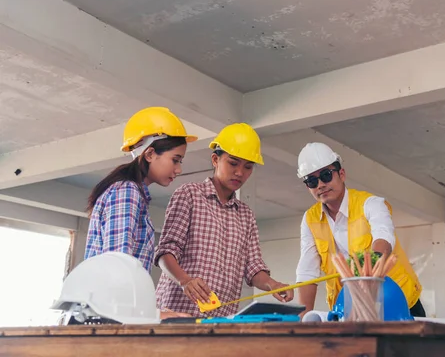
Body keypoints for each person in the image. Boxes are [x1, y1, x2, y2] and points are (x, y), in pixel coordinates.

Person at [154, 123, 294, 317]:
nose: (240, 172)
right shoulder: (189, 195)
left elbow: (253, 268)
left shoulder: (246, 215)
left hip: (220, 321)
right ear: (215, 159)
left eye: (248, 167)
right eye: (233, 163)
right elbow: (165, 252)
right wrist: (185, 281)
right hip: (177, 315)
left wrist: (274, 285)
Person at [294, 142, 426, 318]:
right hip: (350, 309)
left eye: (326, 176)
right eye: (311, 181)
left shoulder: (371, 204)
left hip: (398, 303)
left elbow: (384, 238)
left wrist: (366, 271)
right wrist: (303, 319)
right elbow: (307, 271)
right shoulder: (310, 219)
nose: (320, 185)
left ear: (342, 174)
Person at [84, 106, 197, 274]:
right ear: (150, 154)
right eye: (175, 160)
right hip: (115, 298)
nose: (179, 169)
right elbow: (117, 263)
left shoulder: (130, 192)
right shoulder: (127, 192)